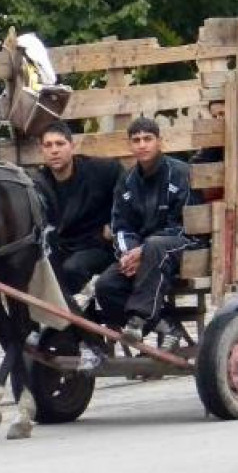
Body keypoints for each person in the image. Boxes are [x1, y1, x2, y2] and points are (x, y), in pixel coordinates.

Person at [94, 117, 195, 351]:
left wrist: (144, 250)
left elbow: (185, 223)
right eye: (136, 140)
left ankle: (138, 319)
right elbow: (121, 226)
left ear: (159, 142)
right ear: (130, 145)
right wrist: (129, 253)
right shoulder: (127, 181)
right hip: (143, 252)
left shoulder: (180, 173)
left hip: (182, 243)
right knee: (106, 285)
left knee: (156, 245)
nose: (142, 145)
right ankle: (167, 326)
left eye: (148, 139)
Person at [34, 121, 123, 296]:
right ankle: (63, 316)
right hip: (61, 247)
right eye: (48, 145)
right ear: (42, 150)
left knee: (72, 268)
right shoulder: (39, 183)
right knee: (33, 273)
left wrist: (115, 224)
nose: (54, 150)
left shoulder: (102, 170)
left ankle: (80, 313)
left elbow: (128, 196)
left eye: (60, 144)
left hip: (100, 246)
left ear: (72, 146)